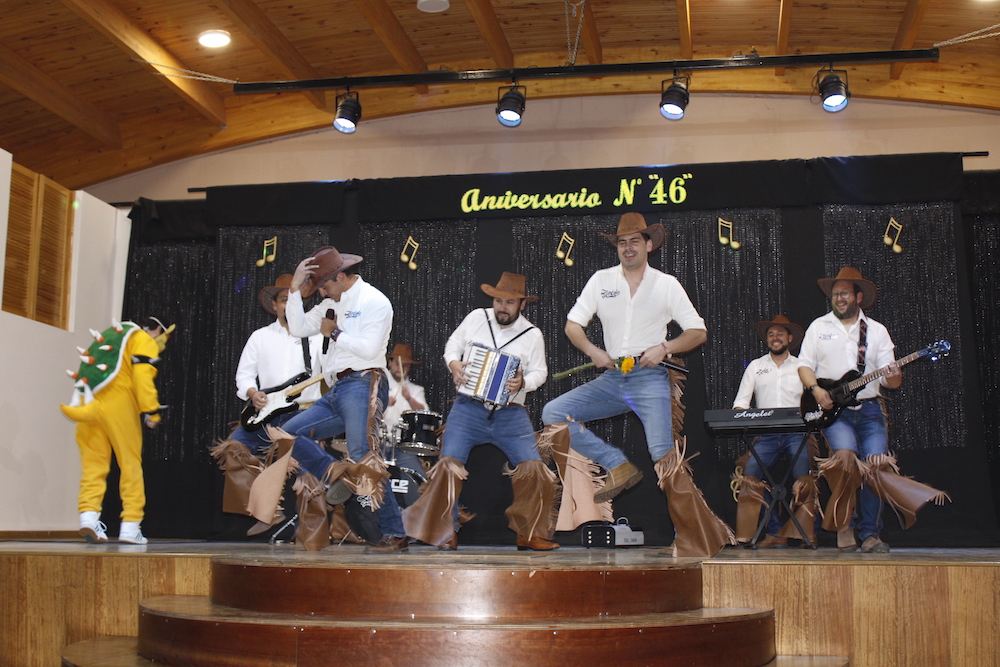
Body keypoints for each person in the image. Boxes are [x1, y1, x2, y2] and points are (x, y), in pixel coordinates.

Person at [541, 212, 732, 558]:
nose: (628, 247)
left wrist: (665, 348)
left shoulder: (666, 284)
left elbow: (698, 332)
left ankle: (697, 538)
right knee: (554, 413)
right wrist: (593, 351)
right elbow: (572, 325)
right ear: (617, 247)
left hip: (649, 379)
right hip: (613, 377)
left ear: (648, 245)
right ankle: (615, 463)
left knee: (663, 455)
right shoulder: (601, 280)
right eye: (622, 242)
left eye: (634, 241)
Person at [797, 267, 949, 553]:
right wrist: (816, 390)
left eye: (844, 293)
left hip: (869, 410)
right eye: (835, 294)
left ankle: (870, 534)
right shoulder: (819, 327)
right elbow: (804, 366)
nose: (839, 298)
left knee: (875, 465)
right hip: (835, 411)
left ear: (858, 297)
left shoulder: (876, 331)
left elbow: (892, 382)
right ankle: (845, 525)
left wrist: (893, 374)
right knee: (844, 459)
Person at [403, 272, 558, 551]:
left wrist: (524, 382)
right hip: (468, 408)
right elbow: (452, 345)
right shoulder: (477, 317)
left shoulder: (532, 334)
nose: (502, 307)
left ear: (522, 304)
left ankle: (529, 533)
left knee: (534, 469)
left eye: (509, 302)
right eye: (498, 301)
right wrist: (454, 364)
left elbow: (541, 372)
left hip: (510, 412)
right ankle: (445, 531)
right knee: (448, 465)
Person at [268, 245, 408, 554]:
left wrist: (334, 334)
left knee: (363, 454)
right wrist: (295, 289)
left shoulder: (374, 301)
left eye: (324, 286)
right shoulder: (331, 302)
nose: (321, 293)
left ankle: (395, 533)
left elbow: (370, 349)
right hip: (337, 388)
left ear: (341, 277)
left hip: (364, 381)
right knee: (289, 434)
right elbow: (298, 327)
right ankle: (338, 475)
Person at [210, 274, 323, 535]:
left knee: (308, 471)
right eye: (284, 300)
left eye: (294, 300)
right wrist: (252, 392)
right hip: (266, 412)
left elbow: (328, 375)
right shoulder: (260, 337)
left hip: (303, 414)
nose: (288, 306)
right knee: (234, 449)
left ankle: (312, 534)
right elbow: (244, 375)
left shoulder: (316, 337)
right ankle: (265, 511)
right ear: (274, 305)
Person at [61, 316, 173, 545]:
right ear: (158, 330)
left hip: (88, 404)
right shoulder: (142, 339)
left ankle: (88, 517)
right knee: (130, 464)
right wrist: (151, 410)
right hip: (118, 404)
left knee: (93, 466)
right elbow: (142, 376)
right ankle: (131, 526)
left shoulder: (112, 334)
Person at [732, 314, 816, 548]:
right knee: (750, 478)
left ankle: (806, 533)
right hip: (766, 434)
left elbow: (814, 400)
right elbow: (741, 403)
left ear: (789, 338)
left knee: (804, 480)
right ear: (766, 340)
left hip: (797, 433)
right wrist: (740, 417)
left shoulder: (802, 366)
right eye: (771, 334)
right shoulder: (756, 367)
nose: (775, 337)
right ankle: (773, 532)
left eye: (780, 333)